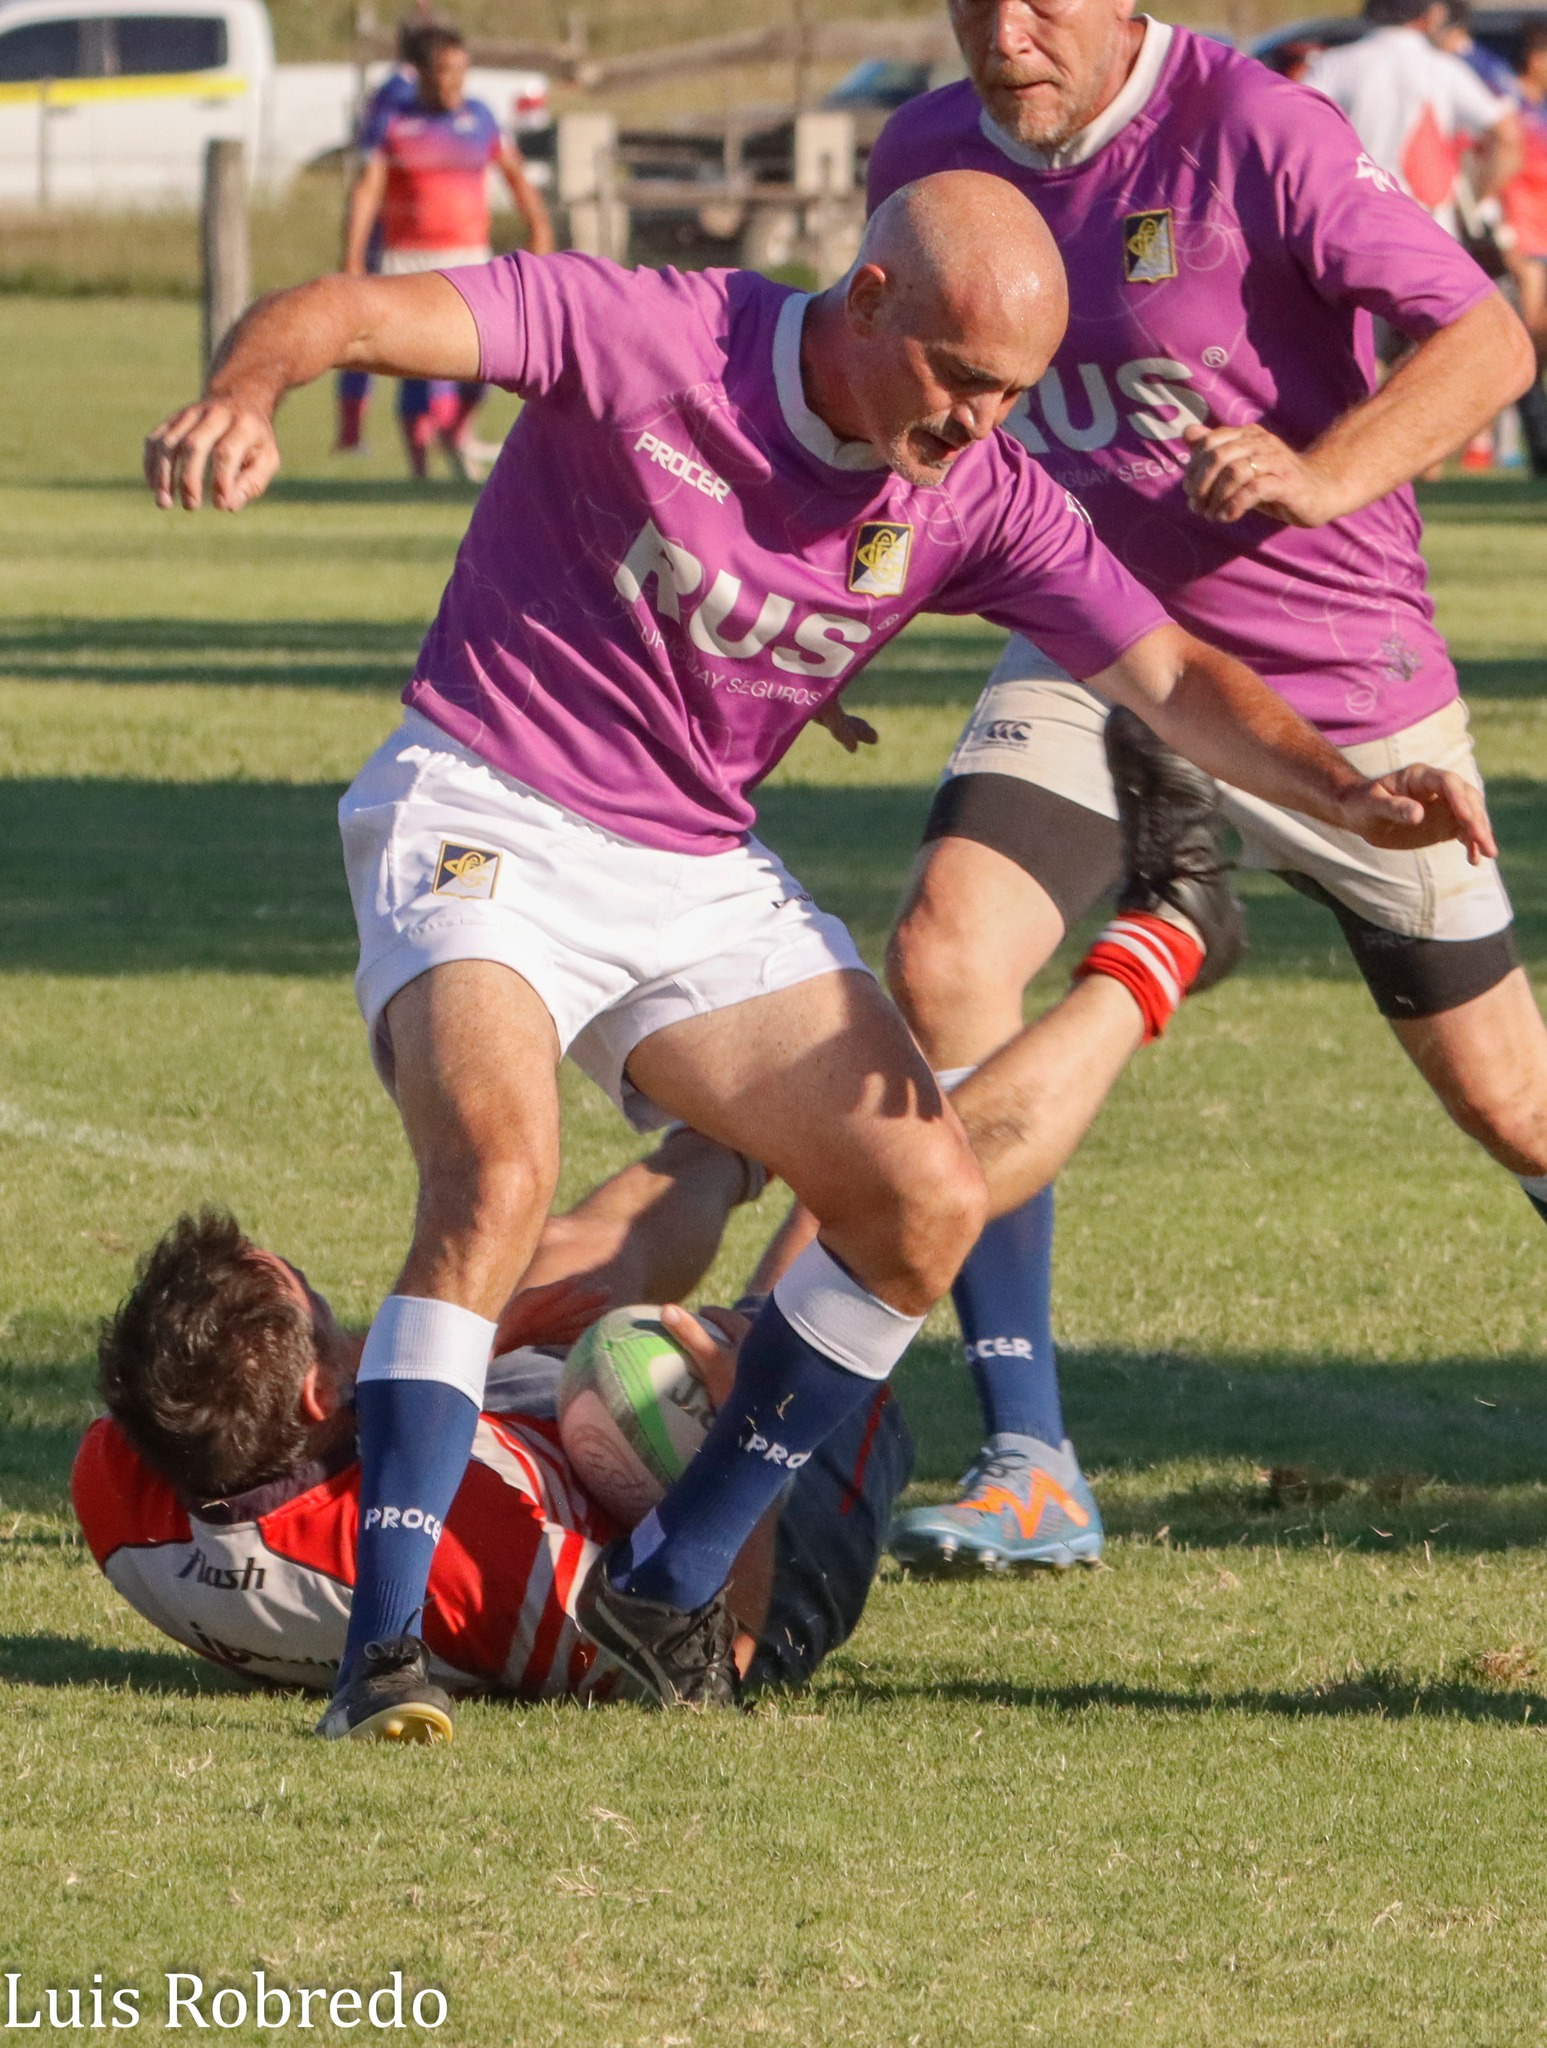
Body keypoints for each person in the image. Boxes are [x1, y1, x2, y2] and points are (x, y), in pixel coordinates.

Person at [143, 172, 1489, 1729]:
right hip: (484, 805)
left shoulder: (972, 487)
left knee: (918, 1198)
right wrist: (245, 391)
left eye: (1013, 395)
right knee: (499, 1176)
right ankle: (377, 1664)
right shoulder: (649, 334)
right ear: (863, 305)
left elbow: (1168, 668)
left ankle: (661, 1594)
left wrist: (1341, 785)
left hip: (688, 863)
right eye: (959, 379)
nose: (982, 422)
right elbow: (349, 311)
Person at [848, 0, 1541, 1576]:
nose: (1004, 33)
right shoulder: (927, 156)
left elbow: (1488, 336)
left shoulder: (1255, 133)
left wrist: (1322, 472)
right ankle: (1028, 1458)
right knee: (946, 953)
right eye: (973, 0)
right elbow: (907, 415)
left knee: (1511, 1102)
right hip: (1102, 652)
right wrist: (834, 607)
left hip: (1338, 688)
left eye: (1042, 0)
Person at [74, 1131, 911, 1727]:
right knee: (864, 1257)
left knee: (548, 1261)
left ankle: (753, 1127)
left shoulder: (120, 1476)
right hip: (742, 1551)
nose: (347, 1321)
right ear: (318, 1394)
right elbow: (708, 1661)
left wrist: (485, 1332)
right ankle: (920, 1083)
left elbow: (279, 1391)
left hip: (510, 1432)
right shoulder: (471, 1565)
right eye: (323, 1310)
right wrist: (748, 1431)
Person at [342, 23, 554, 480]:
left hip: (468, 256)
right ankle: (420, 469)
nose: (450, 81)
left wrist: (538, 229)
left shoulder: (481, 118)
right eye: (440, 70)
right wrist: (355, 257)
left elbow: (516, 178)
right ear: (419, 73)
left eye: (459, 70)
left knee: (488, 359)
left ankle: (455, 431)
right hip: (408, 258)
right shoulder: (394, 120)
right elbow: (367, 190)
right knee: (418, 363)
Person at [1309, 0, 1520, 240]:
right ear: (1432, 14)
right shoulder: (1443, 69)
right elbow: (1506, 135)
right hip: (1428, 229)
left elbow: (1296, 132)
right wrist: (1477, 202)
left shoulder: (1331, 65)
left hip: (1353, 223)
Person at [334, 18, 430, 458]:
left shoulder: (387, 90)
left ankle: (355, 436)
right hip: (397, 233)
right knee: (392, 332)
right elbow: (373, 165)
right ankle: (366, 438)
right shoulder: (402, 97)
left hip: (402, 230)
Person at [1502, 21, 1547, 474]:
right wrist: (1502, 234)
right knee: (1526, 346)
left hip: (1543, 237)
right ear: (1536, 58)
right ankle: (1539, 447)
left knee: (1540, 347)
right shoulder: (1507, 104)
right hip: (1522, 240)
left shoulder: (1541, 106)